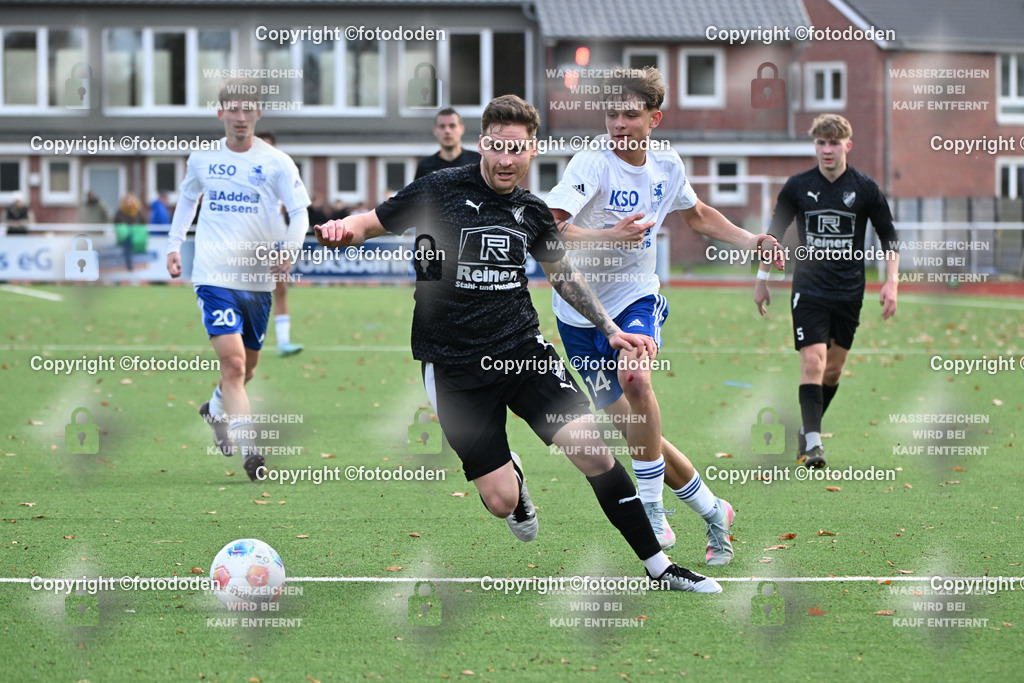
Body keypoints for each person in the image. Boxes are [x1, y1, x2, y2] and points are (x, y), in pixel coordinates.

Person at [315, 94, 722, 593]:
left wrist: (611, 330)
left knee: (593, 452)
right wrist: (342, 229)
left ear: (533, 151)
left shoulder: (531, 211)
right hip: (453, 365)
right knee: (501, 501)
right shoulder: (440, 188)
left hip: (523, 353)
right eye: (497, 147)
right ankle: (518, 487)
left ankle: (660, 566)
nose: (506, 160)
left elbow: (563, 275)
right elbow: (370, 222)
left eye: (518, 149)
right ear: (482, 143)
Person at [545, 66, 783, 565]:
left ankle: (653, 507)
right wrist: (609, 237)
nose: (618, 123)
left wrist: (751, 241)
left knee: (637, 379)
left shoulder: (667, 164)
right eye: (611, 113)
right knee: (634, 430)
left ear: (655, 118)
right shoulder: (591, 163)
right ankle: (714, 509)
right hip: (578, 313)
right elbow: (551, 230)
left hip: (636, 296)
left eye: (630, 115)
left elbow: (697, 215)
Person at [166, 80, 311, 480]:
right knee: (232, 365)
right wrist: (173, 245)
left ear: (258, 114)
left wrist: (289, 250)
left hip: (257, 281)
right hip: (213, 276)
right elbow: (187, 202)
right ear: (221, 114)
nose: (241, 116)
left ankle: (215, 408)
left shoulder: (278, 162)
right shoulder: (202, 159)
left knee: (245, 370)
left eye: (249, 109)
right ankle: (252, 452)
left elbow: (300, 213)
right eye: (234, 109)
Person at [754, 113, 899, 469]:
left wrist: (892, 281)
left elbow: (889, 236)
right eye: (821, 142)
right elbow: (772, 234)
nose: (827, 149)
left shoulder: (865, 188)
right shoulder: (797, 186)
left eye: (834, 143)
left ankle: (807, 428)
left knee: (833, 371)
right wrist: (761, 279)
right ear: (814, 145)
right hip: (810, 288)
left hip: (849, 290)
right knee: (813, 359)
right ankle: (815, 444)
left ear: (847, 145)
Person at [256, 130, 304, 357]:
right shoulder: (246, 173)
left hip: (277, 237)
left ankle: (283, 342)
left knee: (281, 287)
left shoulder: (282, 173)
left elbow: (296, 207)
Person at [414, 108, 482, 179]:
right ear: (435, 131)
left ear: (462, 129)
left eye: (452, 126)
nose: (447, 131)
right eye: (442, 126)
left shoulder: (478, 162)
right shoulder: (424, 166)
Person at [113, 193, 147, 271]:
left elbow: (143, 222)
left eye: (130, 200)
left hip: (137, 236)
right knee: (127, 249)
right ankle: (129, 267)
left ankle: (137, 267)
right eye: (127, 201)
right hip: (126, 236)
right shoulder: (121, 212)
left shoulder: (137, 211)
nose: (129, 202)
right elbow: (116, 221)